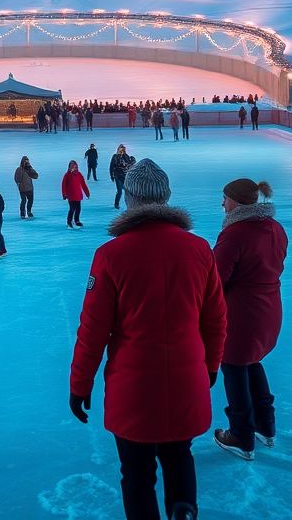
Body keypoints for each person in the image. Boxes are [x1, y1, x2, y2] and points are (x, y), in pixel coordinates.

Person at [69, 159, 226, 520]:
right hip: (186, 380)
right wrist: (212, 365)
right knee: (179, 457)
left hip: (134, 387)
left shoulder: (111, 255)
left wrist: (80, 385)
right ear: (166, 198)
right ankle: (184, 512)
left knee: (137, 474)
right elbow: (216, 318)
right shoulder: (199, 249)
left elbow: (93, 331)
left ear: (129, 199)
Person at [212, 178, 287, 461]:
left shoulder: (236, 233)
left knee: (233, 368)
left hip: (241, 313)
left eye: (225, 198)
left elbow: (215, 278)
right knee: (252, 362)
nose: (222, 203)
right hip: (269, 309)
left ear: (237, 201)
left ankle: (241, 435)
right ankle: (265, 424)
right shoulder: (275, 228)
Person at [62, 160, 91, 228]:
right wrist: (64, 194)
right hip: (71, 195)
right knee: (72, 209)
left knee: (78, 208)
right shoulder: (67, 175)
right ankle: (69, 222)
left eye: (75, 167)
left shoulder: (79, 174)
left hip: (78, 195)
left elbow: (83, 184)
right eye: (72, 167)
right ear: (69, 167)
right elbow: (63, 185)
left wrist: (87, 192)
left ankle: (77, 220)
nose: (74, 168)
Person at [109, 144, 136, 210]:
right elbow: (111, 166)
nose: (122, 151)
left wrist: (133, 160)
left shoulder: (126, 156)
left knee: (128, 190)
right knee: (119, 191)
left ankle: (131, 203)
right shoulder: (115, 156)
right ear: (118, 149)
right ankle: (116, 204)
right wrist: (112, 175)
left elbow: (129, 164)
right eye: (120, 149)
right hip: (117, 175)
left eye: (123, 149)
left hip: (125, 175)